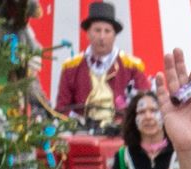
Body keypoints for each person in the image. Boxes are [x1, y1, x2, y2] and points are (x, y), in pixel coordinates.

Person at [54, 3, 148, 132]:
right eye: (97, 30)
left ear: (114, 35)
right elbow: (61, 108)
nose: (102, 37)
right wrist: (78, 125)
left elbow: (146, 104)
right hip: (82, 135)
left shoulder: (132, 67)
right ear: (88, 34)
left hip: (122, 134)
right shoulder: (71, 67)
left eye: (107, 31)